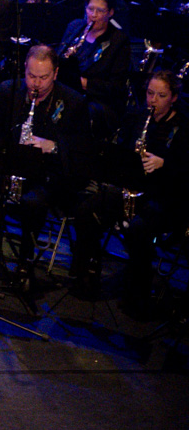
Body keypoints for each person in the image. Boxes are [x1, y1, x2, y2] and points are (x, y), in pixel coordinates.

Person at [0, 45, 86, 287]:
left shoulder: (73, 102)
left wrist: (52, 146)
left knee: (33, 202)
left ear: (56, 74)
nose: (36, 84)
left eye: (43, 77)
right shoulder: (9, 90)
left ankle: (25, 261)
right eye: (31, 76)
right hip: (12, 165)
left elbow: (80, 153)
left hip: (48, 173)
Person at [71, 70, 186, 310]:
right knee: (86, 209)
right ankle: (87, 271)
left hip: (163, 197)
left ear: (174, 97)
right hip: (131, 189)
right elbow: (117, 151)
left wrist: (164, 163)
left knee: (139, 229)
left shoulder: (183, 126)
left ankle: (139, 289)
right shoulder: (136, 116)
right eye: (150, 93)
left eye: (161, 95)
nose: (152, 100)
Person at [56, 0, 131, 114]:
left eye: (100, 11)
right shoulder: (75, 26)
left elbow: (116, 87)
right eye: (90, 9)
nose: (93, 15)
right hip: (63, 89)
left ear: (110, 12)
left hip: (93, 101)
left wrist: (83, 83)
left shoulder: (119, 41)